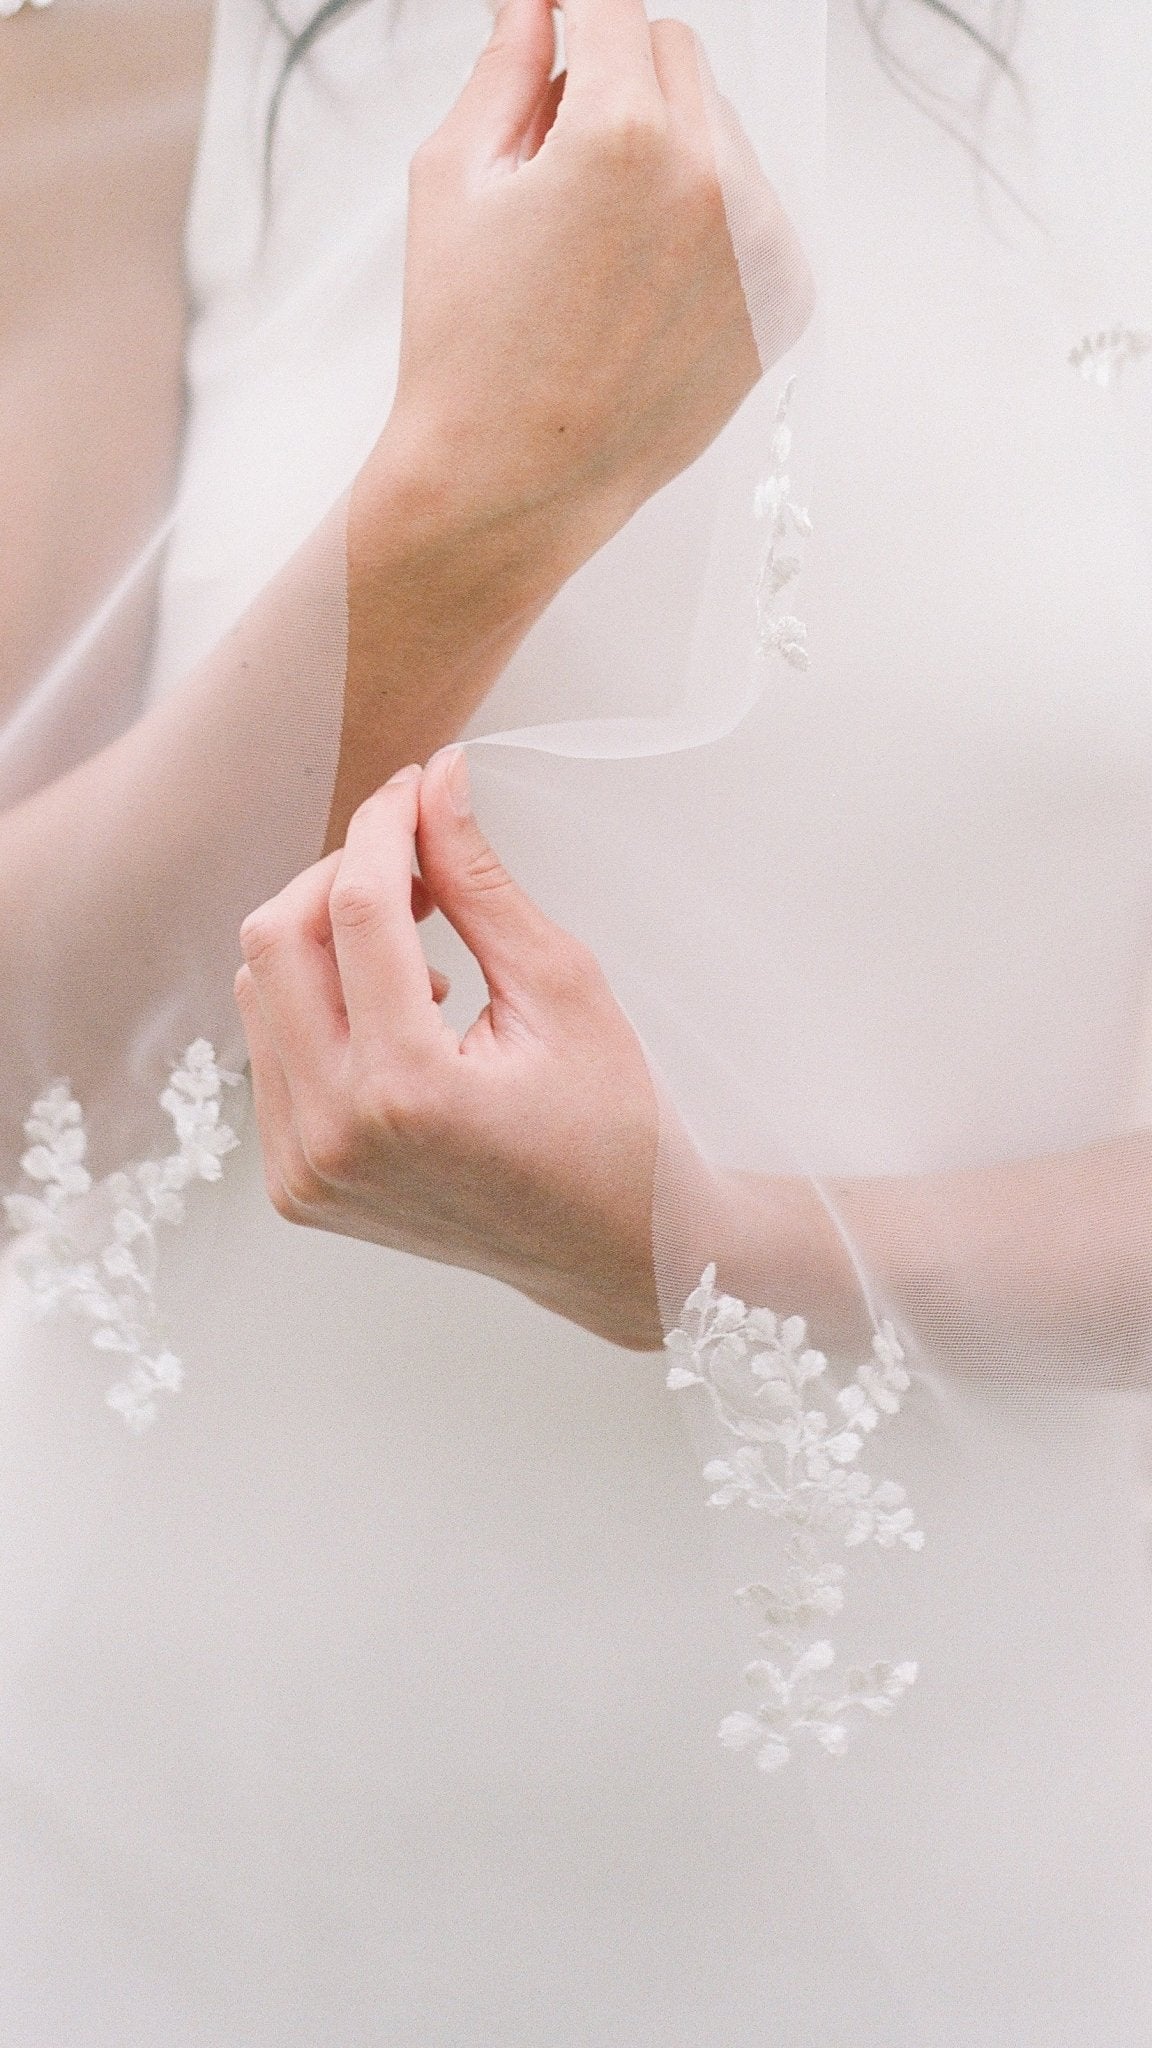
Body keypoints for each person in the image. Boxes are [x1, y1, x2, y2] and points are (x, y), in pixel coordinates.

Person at [4, 1, 1152, 2043]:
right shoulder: (128, 33)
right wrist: (469, 506)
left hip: (994, 1849)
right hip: (218, 1825)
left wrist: (715, 1253)